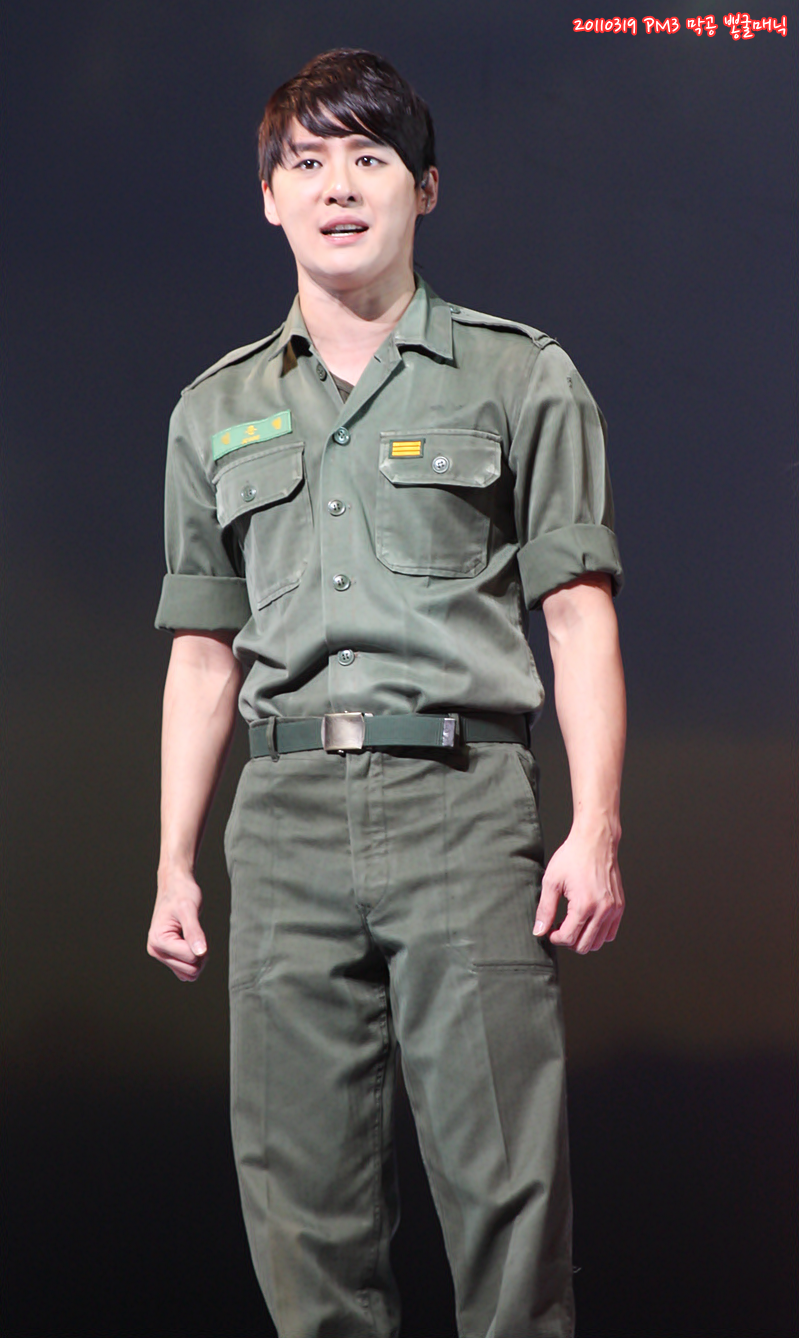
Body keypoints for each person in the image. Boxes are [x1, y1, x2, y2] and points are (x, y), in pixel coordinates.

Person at [147, 47, 626, 1338]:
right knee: (301, 1211)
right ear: (268, 198)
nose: (338, 186)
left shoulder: (520, 376)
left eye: (369, 157)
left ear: (425, 187)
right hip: (284, 821)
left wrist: (594, 825)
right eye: (306, 162)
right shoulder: (213, 410)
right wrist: (175, 862)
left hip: (462, 805)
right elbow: (203, 651)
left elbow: (576, 612)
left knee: (507, 1191)